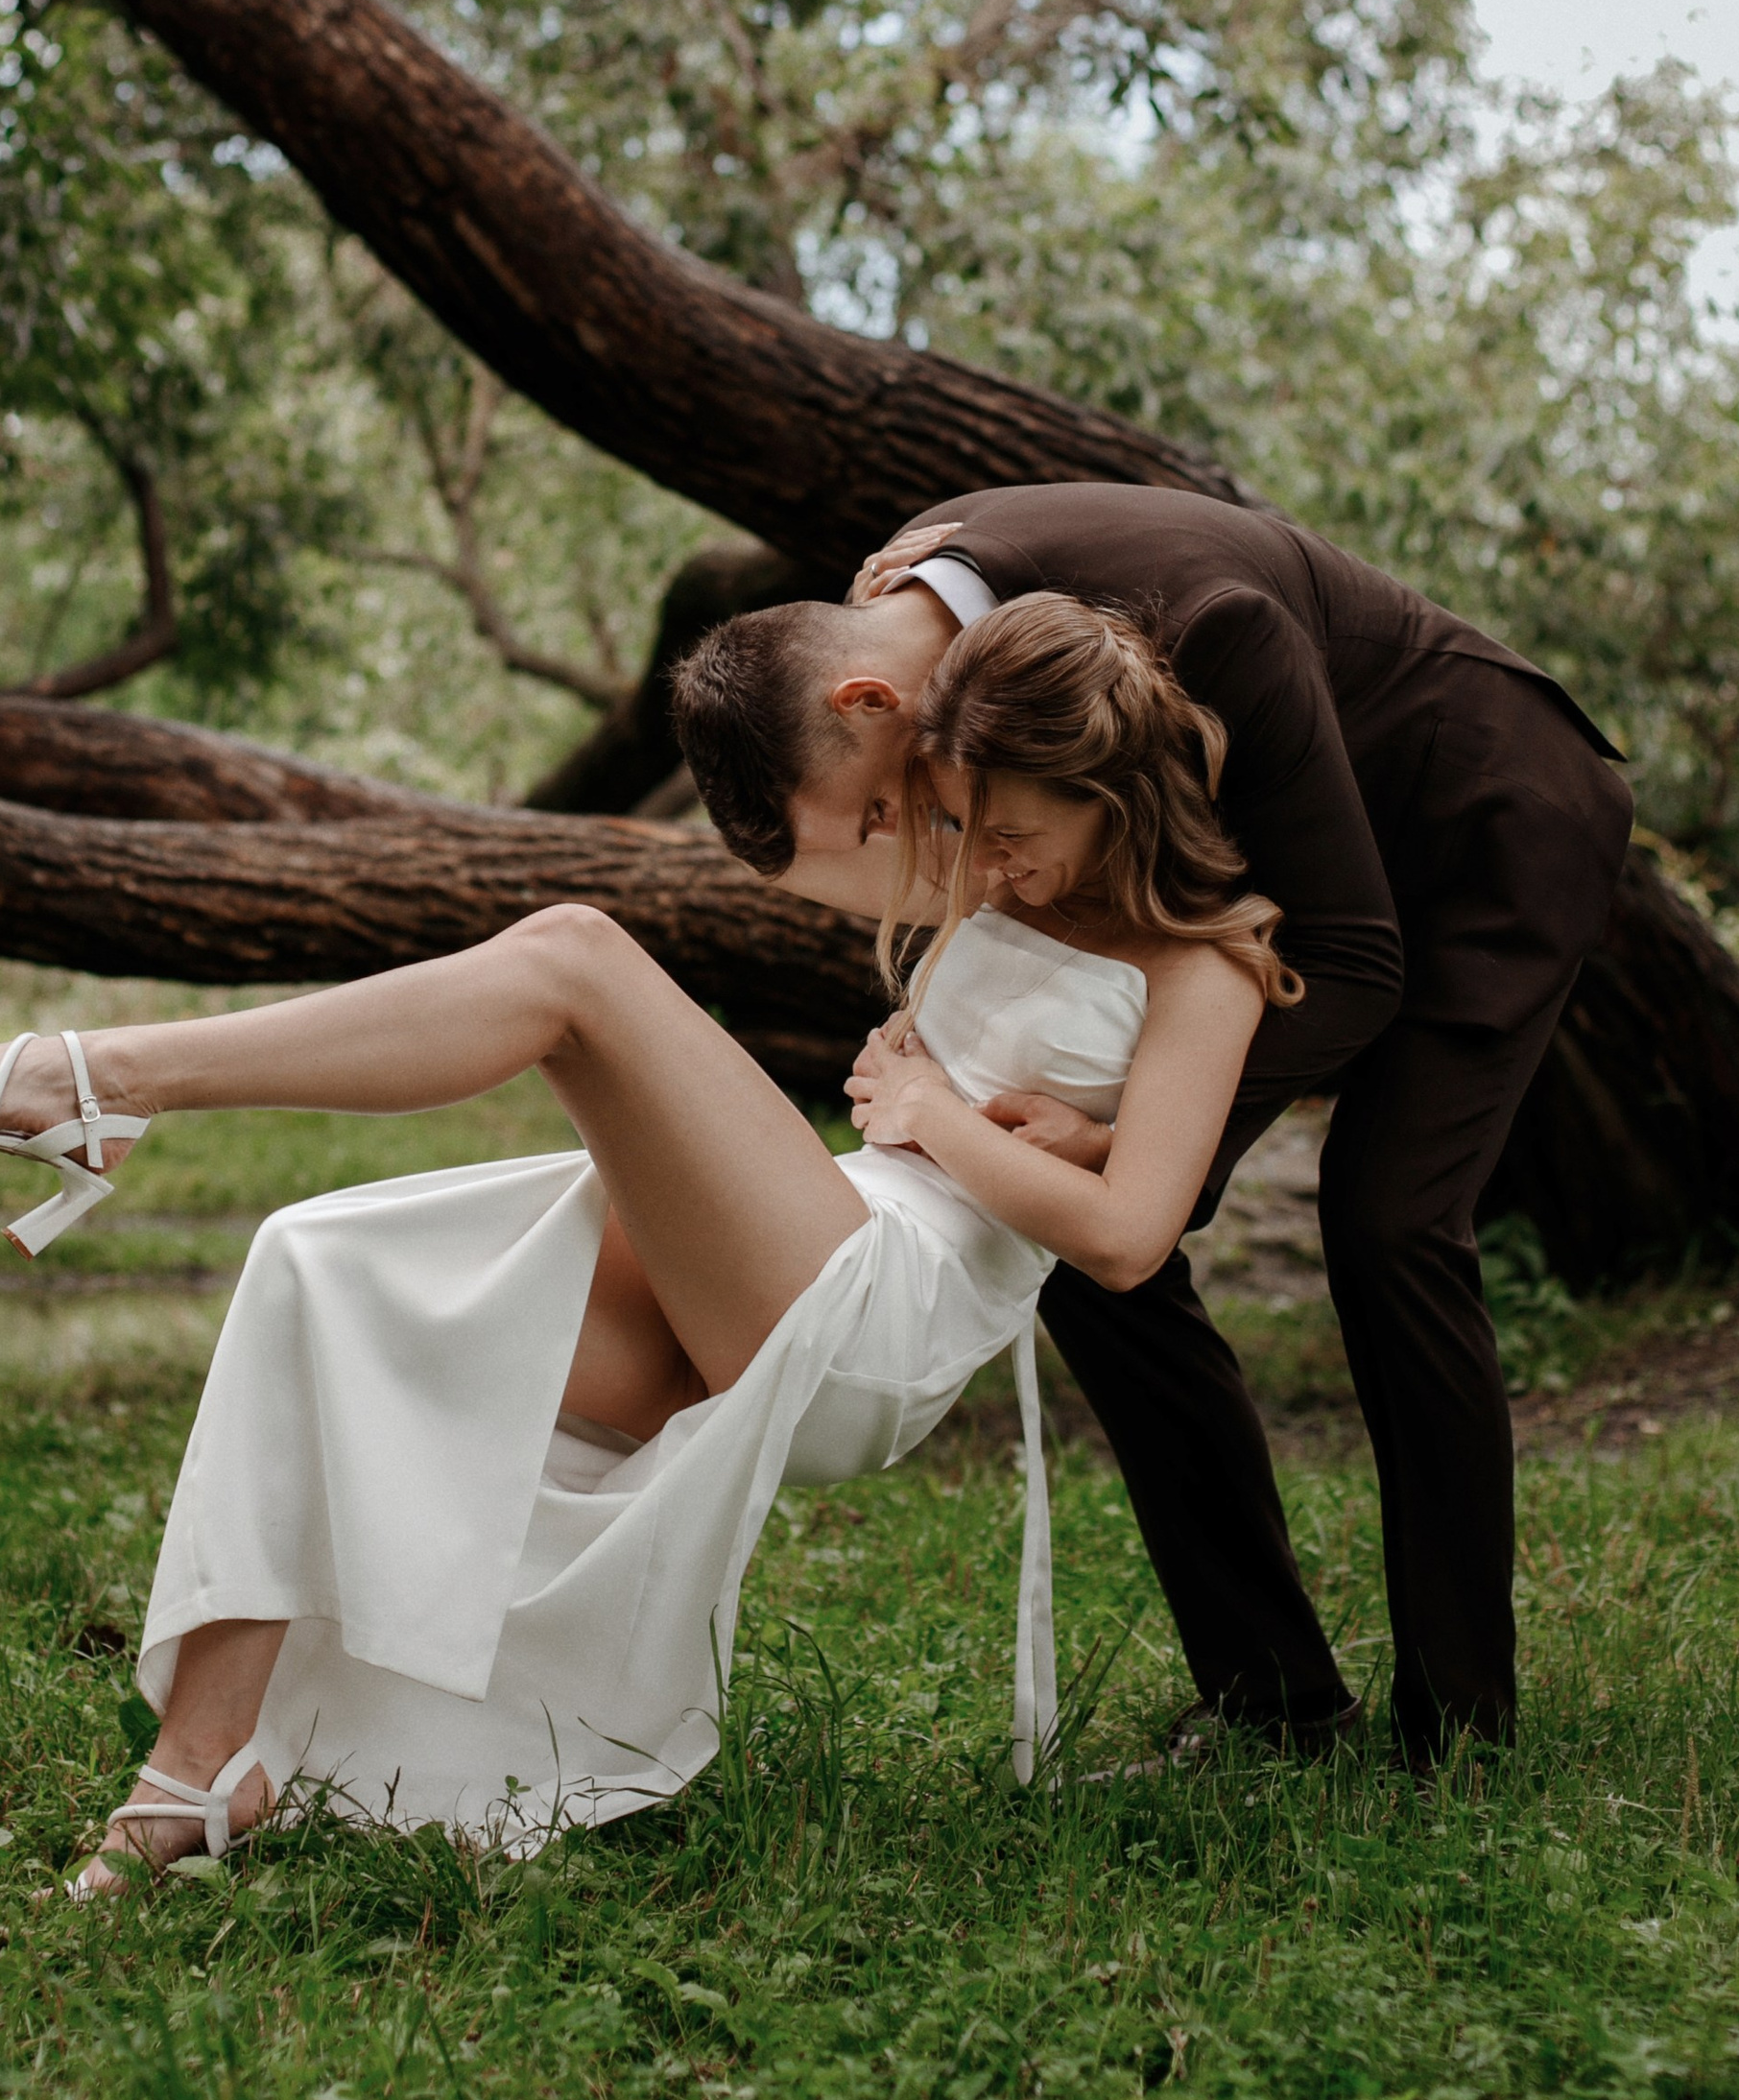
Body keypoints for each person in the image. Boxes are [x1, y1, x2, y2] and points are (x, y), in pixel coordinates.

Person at [0, 598, 1294, 1886]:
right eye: (966, 827)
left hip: (877, 1326)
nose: (978, 865)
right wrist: (961, 1082)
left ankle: (98, 1083)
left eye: (1015, 835)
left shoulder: (1208, 965)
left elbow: (1125, 1239)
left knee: (577, 957)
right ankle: (198, 1776)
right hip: (828, 1219)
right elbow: (1021, 1073)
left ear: (1115, 795)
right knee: (324, 1262)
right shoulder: (1006, 860)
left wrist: (944, 1113)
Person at [669, 483, 1634, 1766]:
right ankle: (1273, 1700)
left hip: (1479, 832)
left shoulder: (1210, 625)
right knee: (1074, 1234)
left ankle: (1460, 1725)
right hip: (1280, 868)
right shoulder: (915, 613)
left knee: (1389, 1220)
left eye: (870, 815)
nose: (902, 838)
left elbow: (1355, 959)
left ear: (868, 702)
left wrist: (1130, 1136)